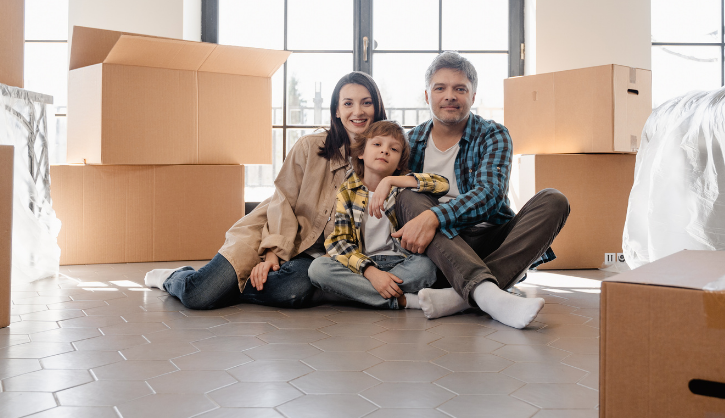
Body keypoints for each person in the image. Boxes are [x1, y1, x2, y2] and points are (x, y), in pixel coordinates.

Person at [143, 72, 387, 310]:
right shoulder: (309, 147)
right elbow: (283, 201)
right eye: (348, 103)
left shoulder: (385, 156)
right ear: (336, 110)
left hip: (312, 256)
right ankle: (174, 277)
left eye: (366, 103)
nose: (358, 111)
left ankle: (229, 287)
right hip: (268, 232)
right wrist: (272, 254)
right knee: (198, 295)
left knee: (293, 291)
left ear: (377, 107)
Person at [392, 51, 570, 329]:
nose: (450, 95)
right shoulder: (409, 141)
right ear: (427, 96)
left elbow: (490, 195)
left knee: (554, 200)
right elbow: (400, 205)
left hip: (489, 237)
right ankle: (488, 294)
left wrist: (434, 216)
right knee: (407, 195)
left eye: (460, 88)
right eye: (440, 88)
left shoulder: (493, 134)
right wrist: (428, 219)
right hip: (439, 247)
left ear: (473, 97)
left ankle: (461, 296)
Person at [308, 120, 448, 310]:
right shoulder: (347, 190)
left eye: (394, 149)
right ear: (361, 153)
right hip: (363, 264)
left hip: (401, 261)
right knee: (318, 269)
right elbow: (339, 241)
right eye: (377, 144)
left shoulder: (401, 187)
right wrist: (371, 272)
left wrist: (391, 181)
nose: (385, 151)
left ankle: (358, 294)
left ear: (400, 163)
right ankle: (404, 300)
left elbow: (442, 184)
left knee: (427, 267)